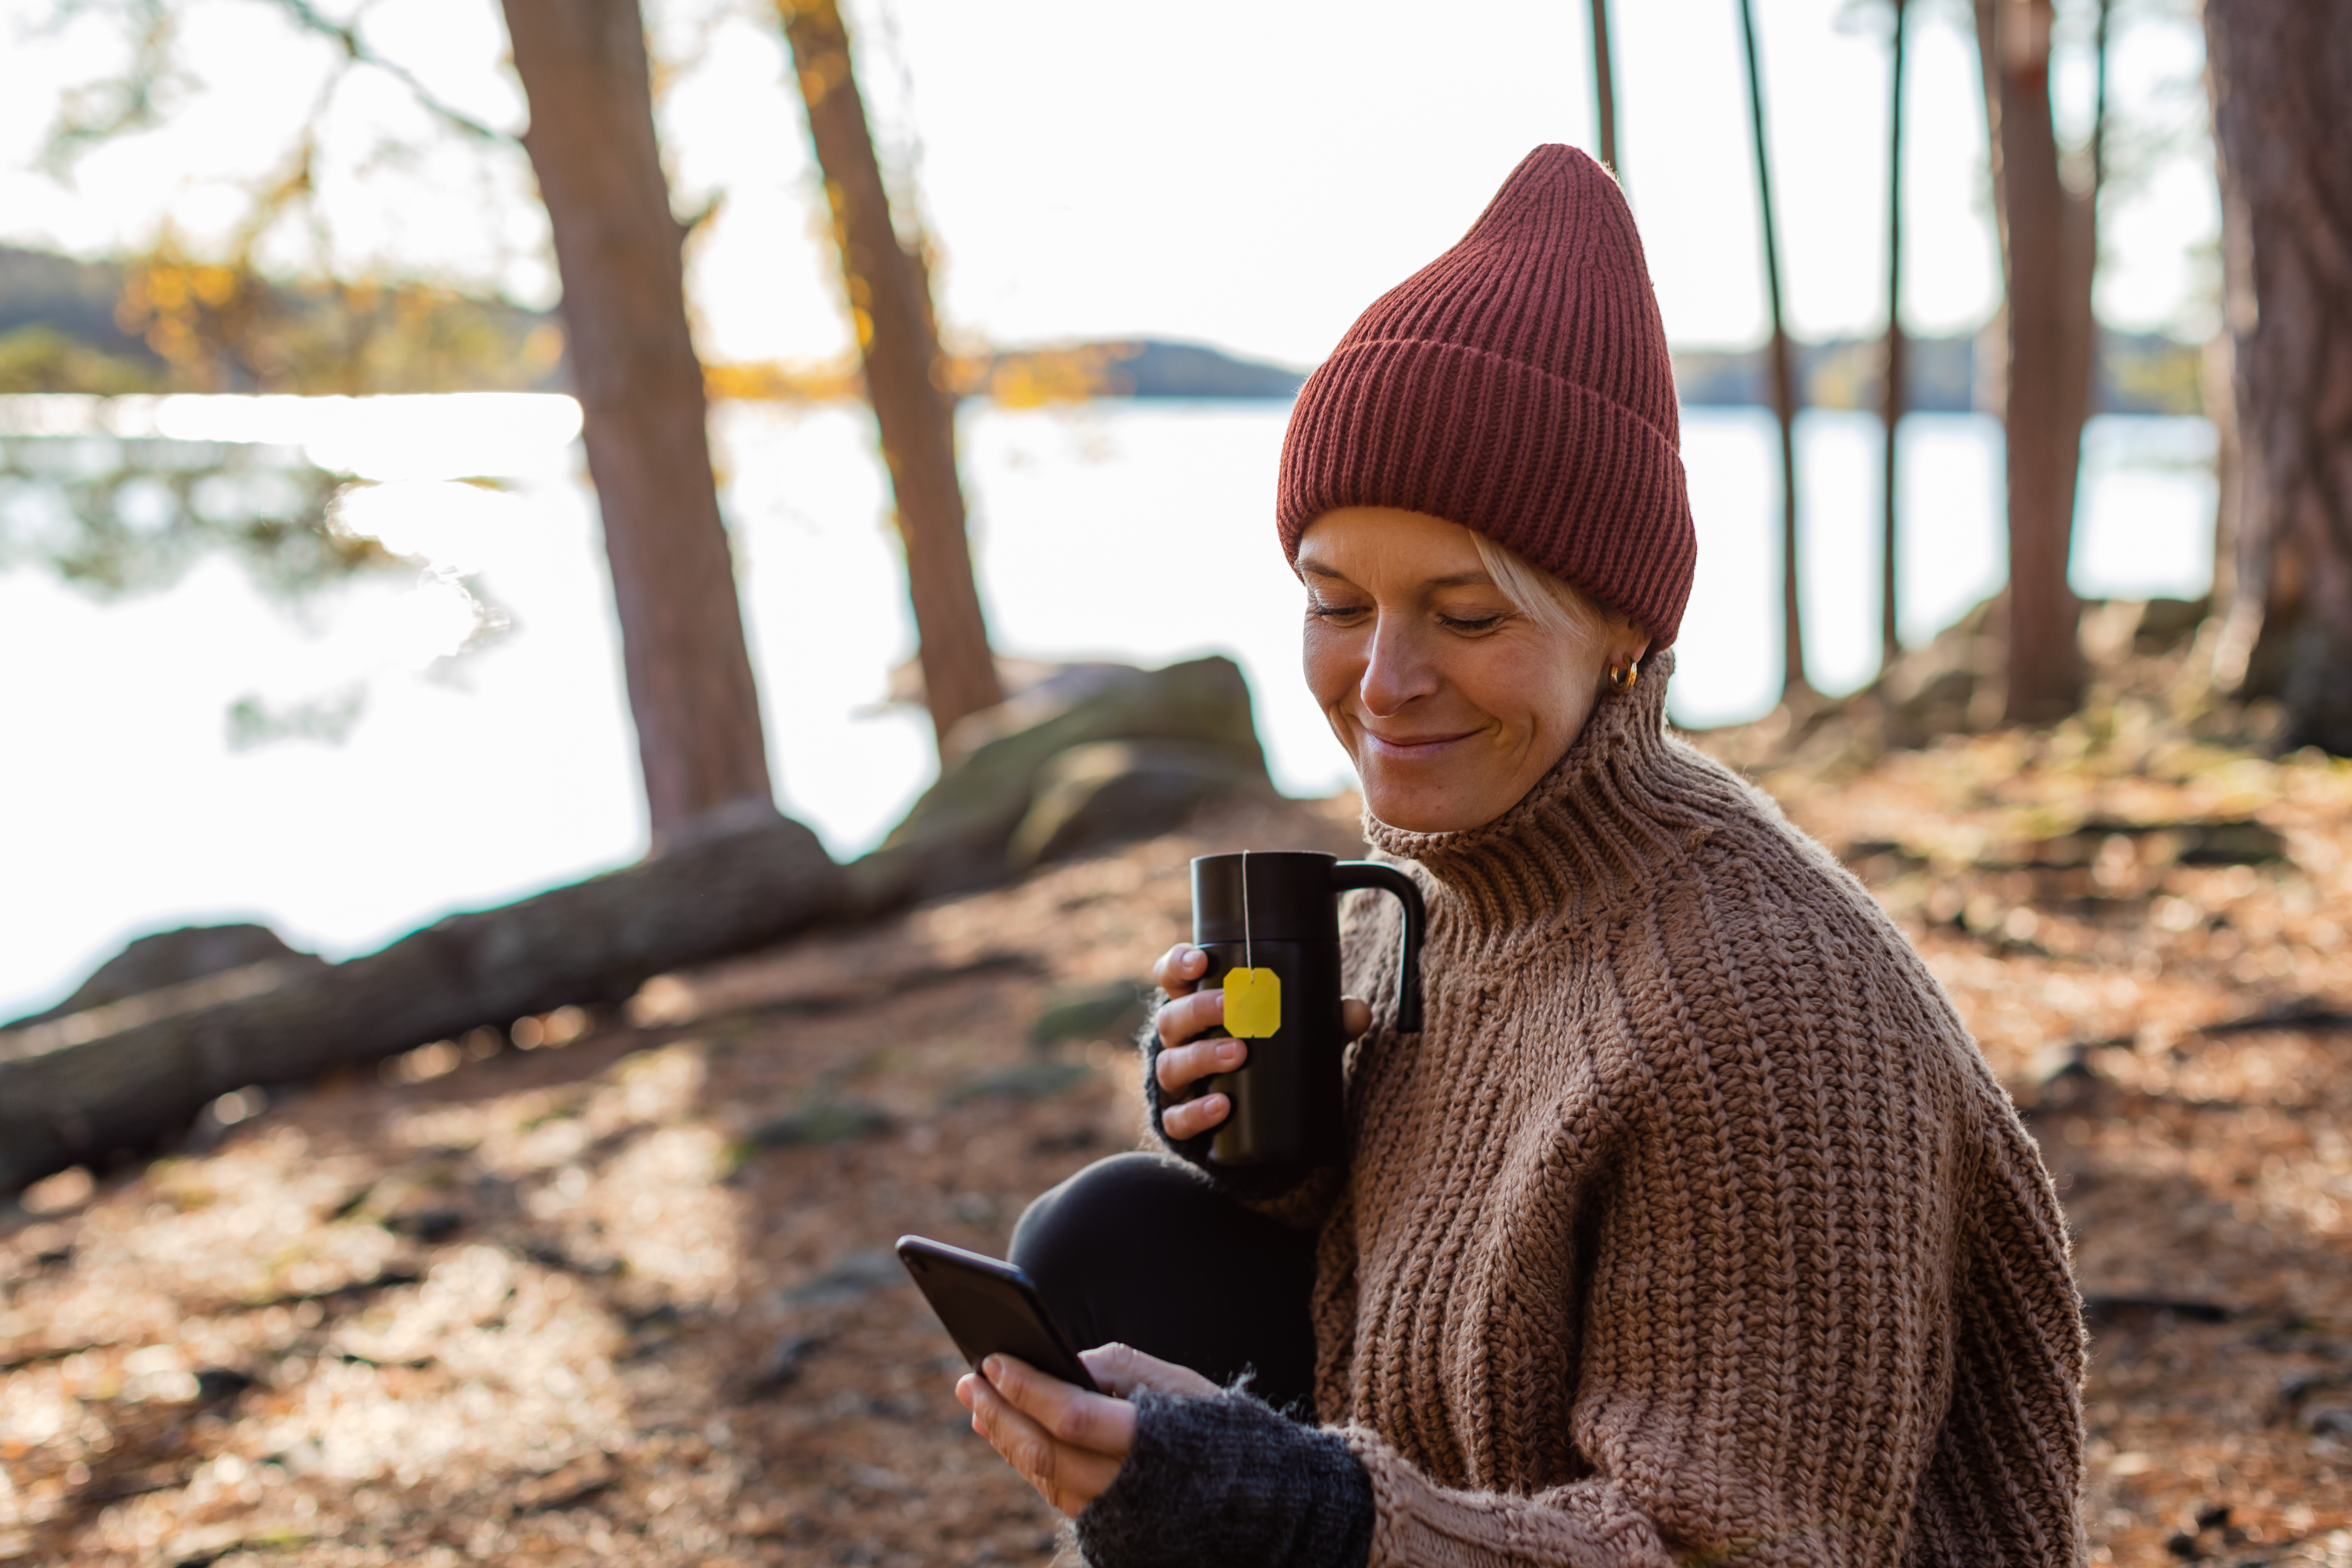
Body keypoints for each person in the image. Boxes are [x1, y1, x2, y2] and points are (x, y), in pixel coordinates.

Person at [950, 145, 2086, 1568]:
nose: (1382, 681)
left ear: (1622, 631)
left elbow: (1725, 1552)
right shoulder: (1436, 881)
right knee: (1116, 1240)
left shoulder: (1768, 1008)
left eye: (1469, 616)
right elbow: (1432, 1269)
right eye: (1338, 601)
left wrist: (1301, 1514)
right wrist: (1261, 1136)